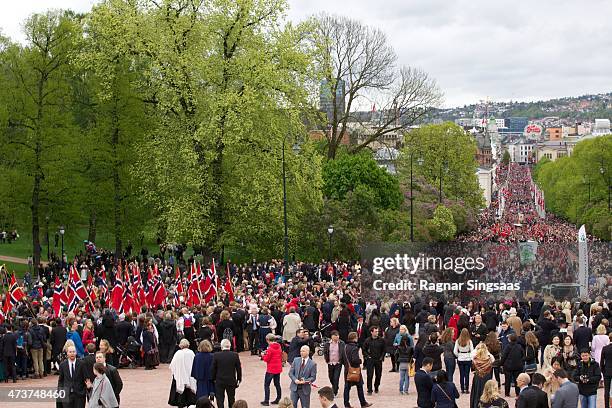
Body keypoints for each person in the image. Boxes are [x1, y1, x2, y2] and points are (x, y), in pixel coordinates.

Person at [342, 331, 372, 408]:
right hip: (355, 370)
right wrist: (360, 361)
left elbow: (342, 359)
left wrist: (346, 365)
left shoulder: (345, 347)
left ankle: (346, 404)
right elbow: (355, 360)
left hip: (347, 370)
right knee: (359, 387)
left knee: (347, 388)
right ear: (354, 338)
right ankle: (363, 403)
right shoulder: (354, 348)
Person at [212, 339, 242, 408]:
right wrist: (239, 379)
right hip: (231, 380)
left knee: (220, 400)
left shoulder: (216, 355)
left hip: (219, 380)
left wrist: (213, 379)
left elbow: (213, 369)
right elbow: (238, 368)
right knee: (231, 399)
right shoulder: (235, 355)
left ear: (221, 346)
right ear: (230, 346)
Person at [169, 339, 197, 408]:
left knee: (180, 391)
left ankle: (180, 404)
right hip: (190, 375)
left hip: (180, 375)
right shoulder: (191, 353)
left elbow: (172, 365)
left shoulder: (178, 353)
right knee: (190, 392)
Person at [362, 326, 385, 395]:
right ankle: (369, 389)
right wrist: (367, 356)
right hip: (370, 360)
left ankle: (376, 386)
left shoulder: (381, 340)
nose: (377, 333)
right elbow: (364, 350)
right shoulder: (367, 340)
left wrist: (382, 357)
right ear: (371, 332)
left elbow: (384, 350)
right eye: (375, 331)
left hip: (378, 360)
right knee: (369, 375)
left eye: (377, 331)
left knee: (378, 375)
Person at [470, 342, 493, 408]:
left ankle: (476, 405)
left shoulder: (474, 359)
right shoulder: (490, 357)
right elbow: (493, 362)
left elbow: (473, 368)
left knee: (477, 392)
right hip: (487, 376)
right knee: (487, 391)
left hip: (478, 376)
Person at [261, 333, 283, 405]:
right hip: (278, 368)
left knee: (266, 385)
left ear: (268, 340)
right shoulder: (279, 346)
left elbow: (267, 359)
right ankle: (278, 399)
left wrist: (263, 355)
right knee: (277, 384)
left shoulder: (270, 348)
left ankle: (266, 401)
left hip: (271, 369)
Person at [323, 330, 345, 397]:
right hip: (330, 363)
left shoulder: (342, 343)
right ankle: (335, 386)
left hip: (338, 363)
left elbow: (343, 352)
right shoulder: (327, 344)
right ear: (332, 336)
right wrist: (326, 359)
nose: (337, 337)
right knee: (331, 377)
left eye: (338, 335)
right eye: (335, 335)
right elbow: (325, 352)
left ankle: (334, 392)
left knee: (336, 377)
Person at [454, 328, 473, 394]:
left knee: (461, 374)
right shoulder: (469, 341)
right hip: (467, 358)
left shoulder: (458, 341)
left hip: (460, 358)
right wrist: (470, 357)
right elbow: (472, 351)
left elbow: (455, 351)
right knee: (467, 374)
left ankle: (462, 389)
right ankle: (467, 389)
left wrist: (458, 355)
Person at [601, 333, 612, 408]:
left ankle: (606, 406)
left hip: (607, 371)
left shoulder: (605, 348)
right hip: (607, 371)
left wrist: (603, 371)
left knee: (606, 390)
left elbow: (602, 362)